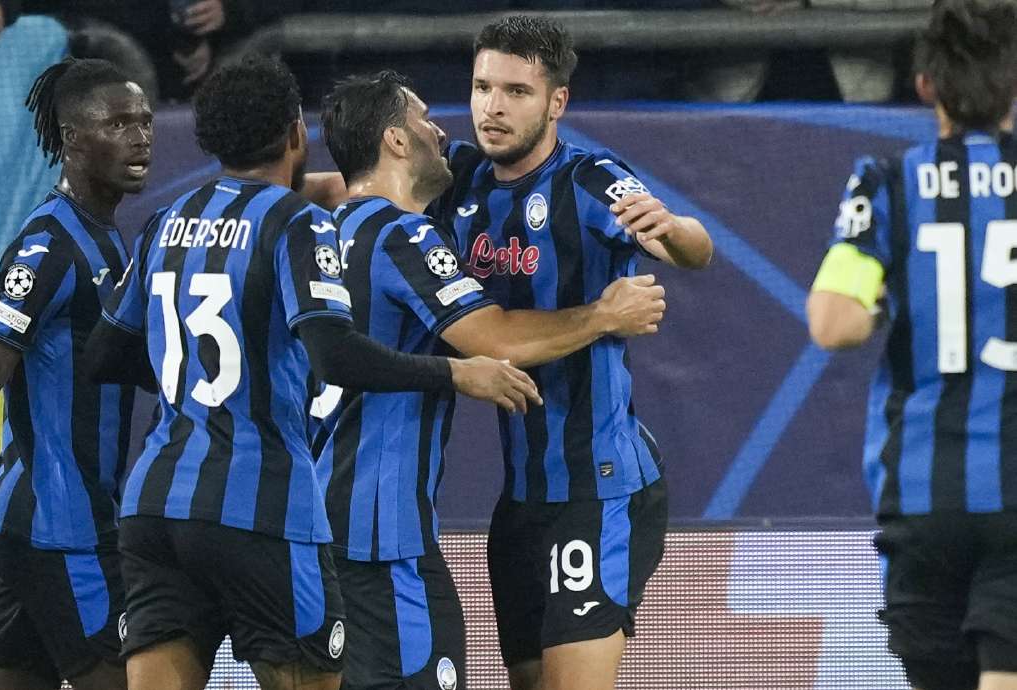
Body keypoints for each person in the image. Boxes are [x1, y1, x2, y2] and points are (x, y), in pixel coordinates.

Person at [82, 56, 540, 690]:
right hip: (257, 500)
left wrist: (193, 378)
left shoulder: (166, 222)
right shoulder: (297, 222)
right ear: (296, 133)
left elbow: (103, 356)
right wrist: (454, 375)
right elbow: (337, 356)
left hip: (154, 502)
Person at [317, 70, 671, 690]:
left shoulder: (319, 234)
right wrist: (603, 315)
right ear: (397, 141)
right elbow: (497, 338)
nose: (441, 131)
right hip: (384, 534)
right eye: (425, 120)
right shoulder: (405, 235)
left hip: (313, 524)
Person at [429, 15, 713, 690]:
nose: (493, 107)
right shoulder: (460, 182)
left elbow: (694, 248)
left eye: (517, 92)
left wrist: (671, 231)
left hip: (601, 488)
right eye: (481, 86)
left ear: (557, 102)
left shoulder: (588, 182)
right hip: (521, 504)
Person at [0, 58, 152, 690]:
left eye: (145, 121)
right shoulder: (49, 245)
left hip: (13, 524)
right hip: (62, 530)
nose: (140, 137)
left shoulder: (109, 240)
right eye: (118, 123)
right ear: (74, 139)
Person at [806, 2, 1017, 689]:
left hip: (924, 498)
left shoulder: (887, 182)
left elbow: (832, 324)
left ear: (925, 84)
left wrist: (880, 304)